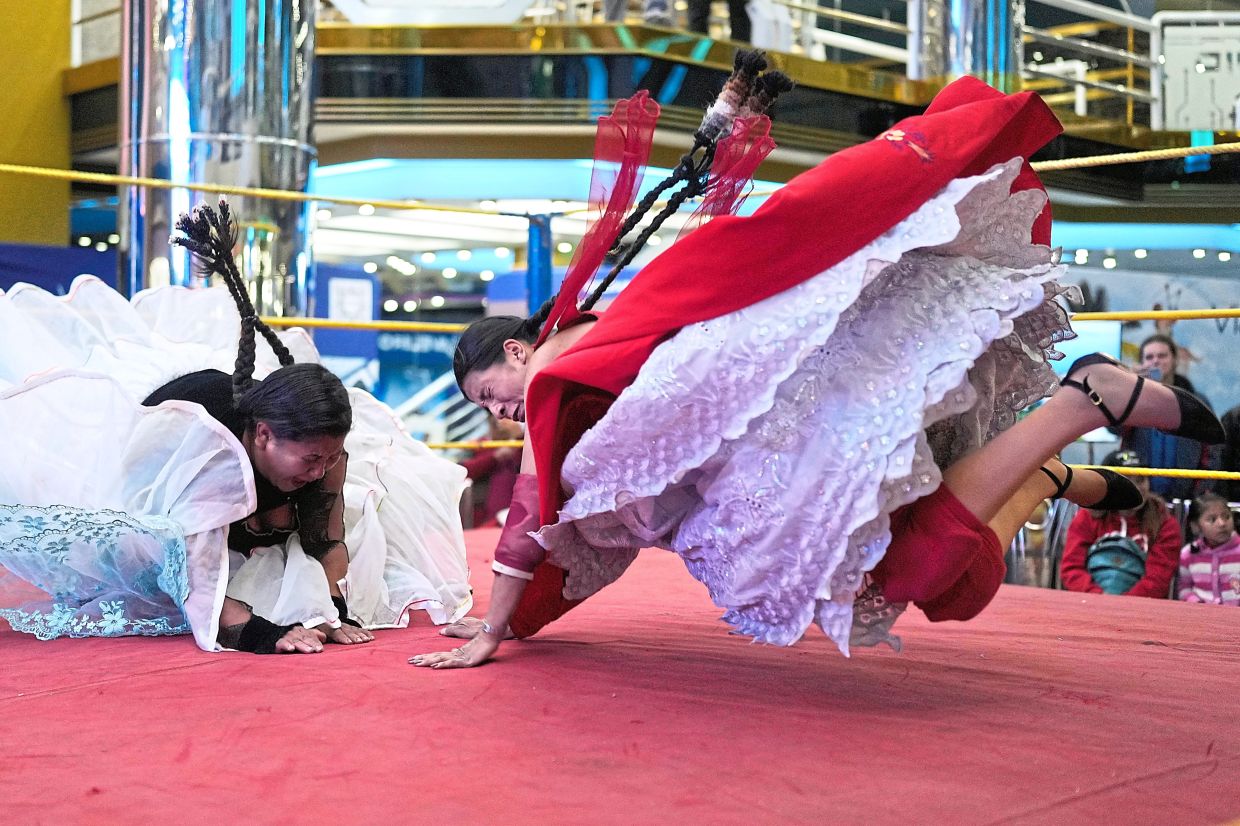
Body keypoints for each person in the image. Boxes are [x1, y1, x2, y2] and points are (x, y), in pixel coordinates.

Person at [410, 73, 1226, 670]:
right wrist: (722, 127)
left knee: (915, 572)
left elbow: (526, 521)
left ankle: (1078, 405)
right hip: (791, 436)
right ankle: (1057, 466)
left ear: (516, 352)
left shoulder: (558, 377)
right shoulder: (596, 332)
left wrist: (493, 628)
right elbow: (664, 220)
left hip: (786, 456)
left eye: (491, 395)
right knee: (952, 586)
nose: (500, 415)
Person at [0, 203, 473, 653]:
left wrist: (336, 612)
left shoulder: (323, 458)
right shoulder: (206, 450)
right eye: (311, 459)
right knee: (154, 568)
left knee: (344, 542)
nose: (321, 470)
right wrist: (259, 634)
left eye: (330, 458)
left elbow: (327, 541)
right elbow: (189, 567)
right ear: (263, 436)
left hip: (235, 445)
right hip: (143, 471)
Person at [1059, 450, 1181, 598]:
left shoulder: (1165, 522)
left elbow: (1158, 579)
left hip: (1142, 608)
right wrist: (1099, 598)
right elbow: (1072, 569)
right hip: (1091, 603)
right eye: (1127, 480)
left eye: (1141, 479)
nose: (1137, 487)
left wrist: (1123, 606)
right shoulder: (1087, 517)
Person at [1120, 334, 1213, 502]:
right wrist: (1127, 388)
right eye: (1149, 357)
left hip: (1187, 500)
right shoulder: (1132, 399)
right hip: (1141, 499)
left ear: (1175, 360)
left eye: (1162, 356)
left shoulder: (1196, 401)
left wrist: (1201, 494)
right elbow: (1112, 427)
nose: (1155, 361)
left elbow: (1212, 451)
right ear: (1142, 363)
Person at [460, 415, 524, 527]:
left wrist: (519, 436)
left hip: (515, 512)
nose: (503, 423)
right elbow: (464, 470)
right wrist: (495, 457)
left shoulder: (521, 444)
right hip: (485, 516)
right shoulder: (482, 445)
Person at [1178, 492, 1240, 605]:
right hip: (1201, 617)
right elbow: (1184, 589)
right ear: (1196, 526)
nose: (1222, 523)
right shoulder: (1188, 554)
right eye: (1212, 519)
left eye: (1226, 517)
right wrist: (1196, 602)